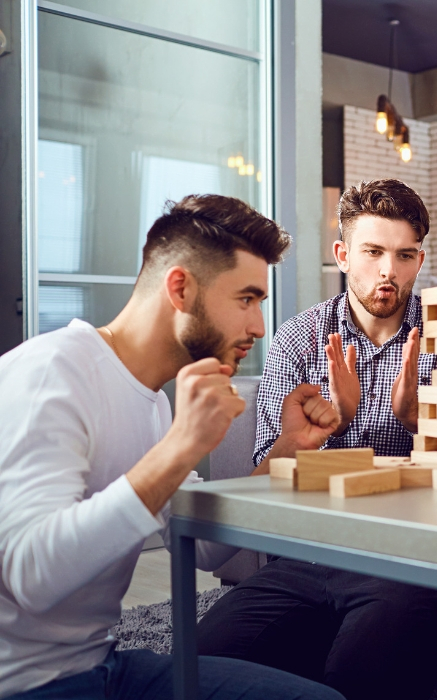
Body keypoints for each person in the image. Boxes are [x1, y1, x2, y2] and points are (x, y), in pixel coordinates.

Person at [0, 195, 344, 700]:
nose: (259, 327)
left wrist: (288, 448)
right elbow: (32, 576)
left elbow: (203, 546)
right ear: (180, 287)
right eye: (246, 300)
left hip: (103, 665)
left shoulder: (153, 402)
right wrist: (180, 447)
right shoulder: (52, 373)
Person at [197, 179, 437, 700]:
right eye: (373, 252)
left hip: (406, 556)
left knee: (357, 681)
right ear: (343, 255)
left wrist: (417, 422)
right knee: (202, 667)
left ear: (419, 259)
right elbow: (267, 474)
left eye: (404, 255)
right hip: (307, 554)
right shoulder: (300, 339)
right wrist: (323, 434)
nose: (389, 270)